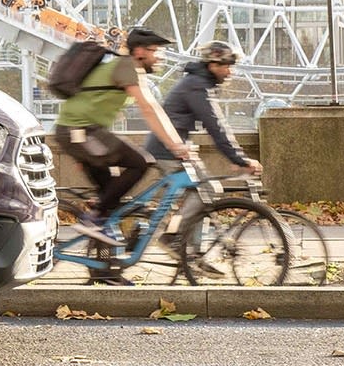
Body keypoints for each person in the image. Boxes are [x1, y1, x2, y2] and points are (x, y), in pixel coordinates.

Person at [53, 25, 192, 247]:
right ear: (139, 52)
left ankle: (105, 271)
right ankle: (94, 218)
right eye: (155, 51)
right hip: (79, 131)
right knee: (141, 162)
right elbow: (150, 108)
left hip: (84, 133)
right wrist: (176, 145)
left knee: (111, 205)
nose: (159, 57)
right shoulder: (127, 65)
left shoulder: (121, 66)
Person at [145, 40, 263, 175]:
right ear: (213, 65)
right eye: (227, 67)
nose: (230, 72)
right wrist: (239, 159)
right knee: (196, 194)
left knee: (204, 187)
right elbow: (215, 125)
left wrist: (236, 159)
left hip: (174, 148)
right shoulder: (197, 86)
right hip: (166, 151)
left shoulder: (198, 83)